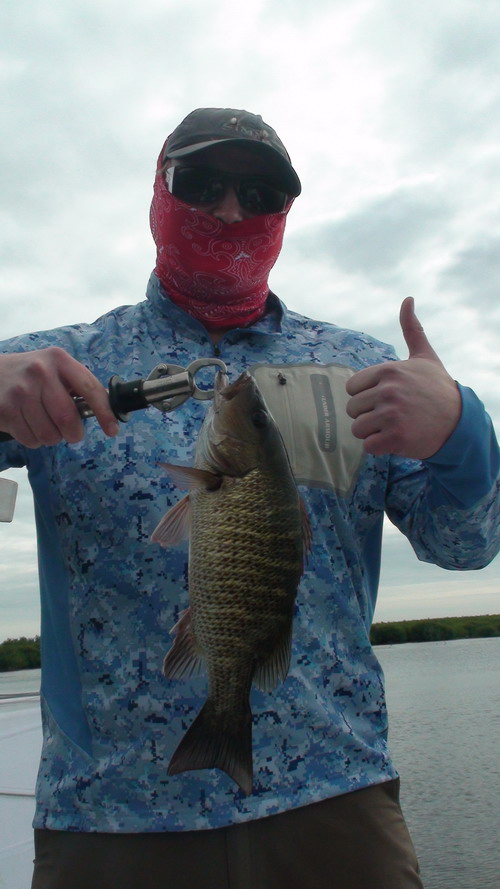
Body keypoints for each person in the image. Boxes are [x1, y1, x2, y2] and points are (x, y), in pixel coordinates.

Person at [0, 107, 498, 889]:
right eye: (201, 182)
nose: (231, 209)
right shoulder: (57, 364)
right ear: (158, 191)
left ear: (285, 214)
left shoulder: (362, 371)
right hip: (112, 814)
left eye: (261, 193)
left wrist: (461, 430)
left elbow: (467, 545)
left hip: (332, 796)